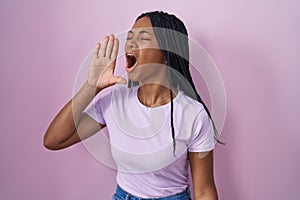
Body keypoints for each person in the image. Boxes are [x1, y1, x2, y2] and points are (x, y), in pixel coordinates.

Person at [44, 11, 220, 200]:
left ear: (167, 52)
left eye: (142, 38)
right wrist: (92, 87)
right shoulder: (114, 100)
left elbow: (204, 191)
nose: (130, 44)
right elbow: (54, 140)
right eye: (129, 38)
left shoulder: (193, 114)